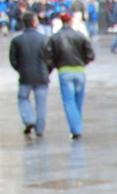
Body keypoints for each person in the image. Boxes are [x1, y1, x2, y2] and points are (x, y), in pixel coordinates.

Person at [43, 11, 93, 139]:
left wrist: (54, 67)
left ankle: (76, 129)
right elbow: (90, 54)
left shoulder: (54, 38)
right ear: (70, 21)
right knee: (78, 101)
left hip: (64, 71)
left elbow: (48, 57)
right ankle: (76, 126)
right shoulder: (80, 36)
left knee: (69, 101)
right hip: (79, 70)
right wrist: (83, 62)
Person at [10, 10, 49, 138]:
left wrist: (20, 69)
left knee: (22, 99)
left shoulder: (17, 40)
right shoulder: (44, 39)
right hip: (42, 76)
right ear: (34, 22)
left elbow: (13, 59)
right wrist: (47, 70)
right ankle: (40, 129)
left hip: (25, 76)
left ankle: (29, 119)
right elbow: (50, 58)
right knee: (41, 104)